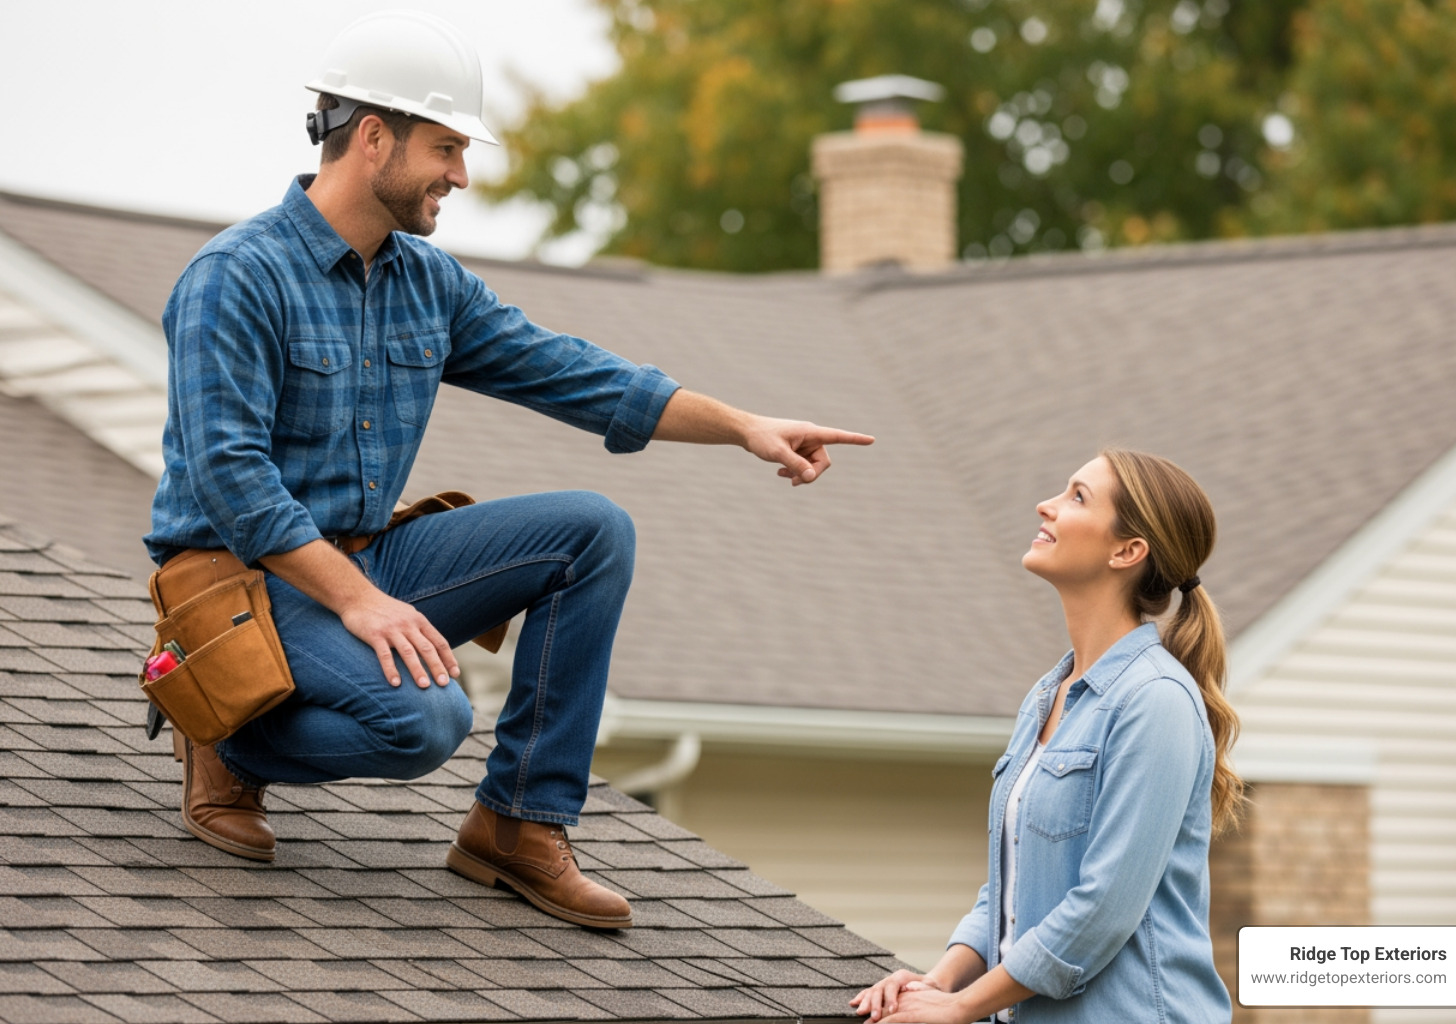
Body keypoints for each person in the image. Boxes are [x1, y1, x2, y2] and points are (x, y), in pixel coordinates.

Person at [143, 9, 873, 930]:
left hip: (370, 558)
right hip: (243, 584)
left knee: (591, 531)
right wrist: (359, 601)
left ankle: (518, 825)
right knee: (426, 722)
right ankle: (229, 744)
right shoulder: (235, 277)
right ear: (373, 138)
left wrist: (743, 426)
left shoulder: (426, 281)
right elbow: (231, 478)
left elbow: (569, 371)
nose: (460, 173)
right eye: (446, 147)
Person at [853, 449, 1239, 1022]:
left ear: (1127, 551)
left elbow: (1103, 909)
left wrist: (961, 1008)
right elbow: (1010, 888)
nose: (1047, 505)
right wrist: (932, 985)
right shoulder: (1047, 695)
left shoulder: (1156, 701)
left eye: (1077, 497)